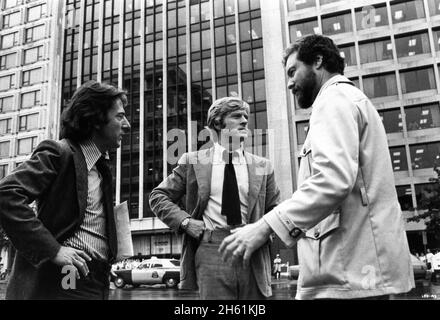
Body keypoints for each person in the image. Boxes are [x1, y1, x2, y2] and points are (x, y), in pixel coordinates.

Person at [219, 34, 415, 300]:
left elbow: (332, 180)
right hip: (354, 273)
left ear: (318, 61)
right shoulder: (348, 99)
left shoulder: (332, 100)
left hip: (351, 275)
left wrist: (264, 226)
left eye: (292, 71)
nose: (289, 83)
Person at [0, 80, 131, 299]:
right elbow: (7, 195)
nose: (127, 124)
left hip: (97, 280)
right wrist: (53, 250)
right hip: (64, 280)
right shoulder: (59, 153)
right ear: (96, 120)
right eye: (119, 116)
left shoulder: (101, 169)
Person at [149, 97, 280, 300]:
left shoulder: (263, 165)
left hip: (252, 248)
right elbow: (158, 196)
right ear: (217, 123)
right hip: (211, 248)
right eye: (237, 116)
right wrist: (185, 222)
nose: (245, 121)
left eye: (246, 116)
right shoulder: (193, 161)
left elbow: (275, 208)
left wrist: (263, 232)